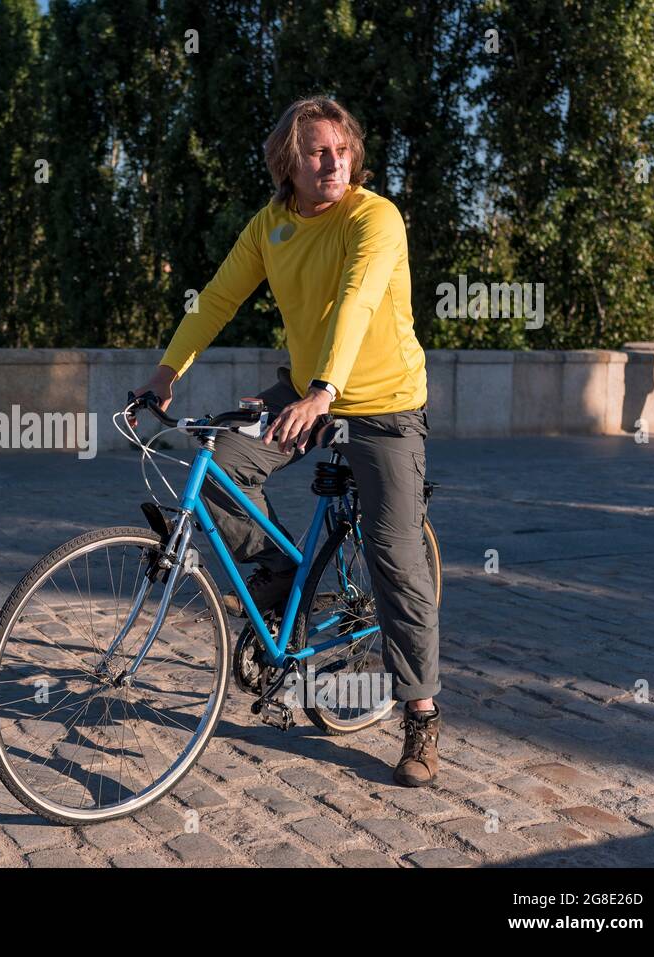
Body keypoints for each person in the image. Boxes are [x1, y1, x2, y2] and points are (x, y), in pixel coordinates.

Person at [130, 96, 441, 787]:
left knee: (393, 553)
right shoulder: (270, 226)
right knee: (214, 465)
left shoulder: (376, 217)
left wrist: (325, 391)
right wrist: (163, 375)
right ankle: (278, 589)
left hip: (382, 404)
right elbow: (214, 300)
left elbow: (359, 300)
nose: (333, 162)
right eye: (316, 152)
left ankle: (419, 711)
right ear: (287, 164)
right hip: (307, 393)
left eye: (341, 149)